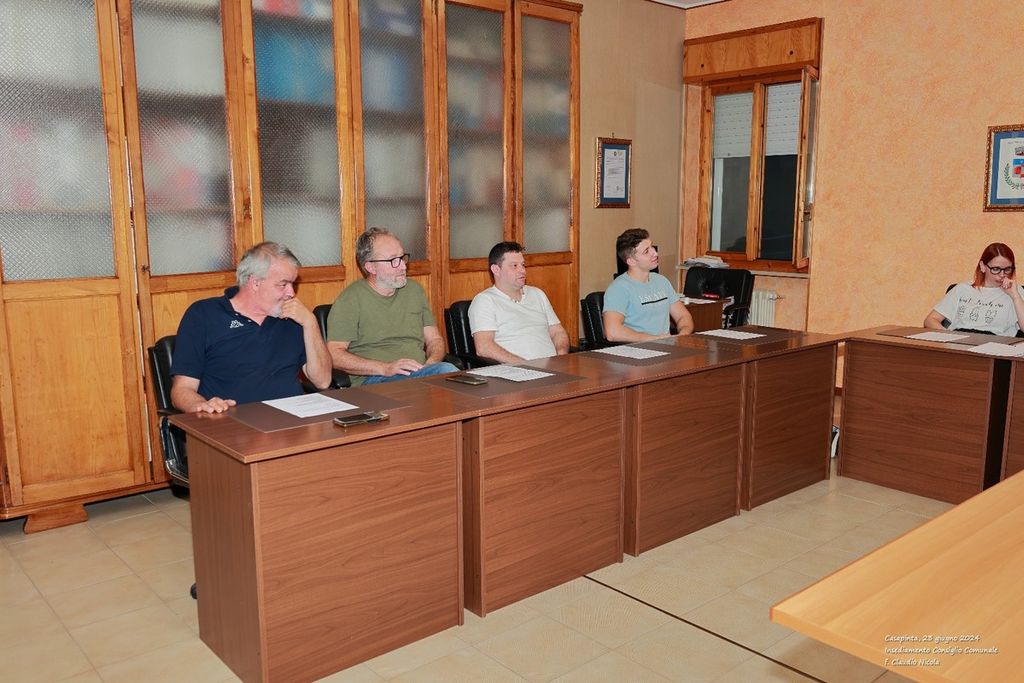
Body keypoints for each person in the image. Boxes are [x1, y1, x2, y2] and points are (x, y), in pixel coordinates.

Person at [170, 242, 332, 413]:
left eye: (293, 284)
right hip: (233, 422)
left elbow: (323, 381)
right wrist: (201, 405)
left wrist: (310, 323)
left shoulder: (293, 318)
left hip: (292, 421)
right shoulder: (204, 315)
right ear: (255, 283)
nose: (291, 293)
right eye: (283, 284)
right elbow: (182, 390)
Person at [326, 227, 458, 385]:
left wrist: (431, 364)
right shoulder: (350, 299)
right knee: (448, 372)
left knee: (451, 375)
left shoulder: (414, 291)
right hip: (376, 380)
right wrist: (384, 368)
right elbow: (334, 354)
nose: (403, 266)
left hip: (419, 373)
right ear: (371, 267)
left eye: (402, 258)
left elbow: (434, 339)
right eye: (393, 260)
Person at [468, 241, 570, 363]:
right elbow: (484, 347)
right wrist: (524, 365)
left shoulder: (537, 294)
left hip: (554, 367)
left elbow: (558, 332)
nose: (522, 271)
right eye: (514, 266)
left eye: (523, 265)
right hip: (516, 370)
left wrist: (561, 356)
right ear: (496, 269)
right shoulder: (485, 300)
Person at [603, 228, 693, 341]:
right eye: (646, 251)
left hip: (666, 346)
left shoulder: (661, 281)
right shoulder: (618, 289)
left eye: (652, 247)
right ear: (631, 261)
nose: (655, 253)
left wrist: (683, 333)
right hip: (638, 349)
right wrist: (656, 339)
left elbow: (683, 316)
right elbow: (612, 332)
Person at [924, 242, 1024, 337]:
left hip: (994, 342)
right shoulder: (962, 289)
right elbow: (930, 320)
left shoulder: (1016, 291)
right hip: (959, 339)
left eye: (1007, 269)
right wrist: (949, 337)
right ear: (983, 266)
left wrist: (1015, 296)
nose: (1002, 275)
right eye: (996, 269)